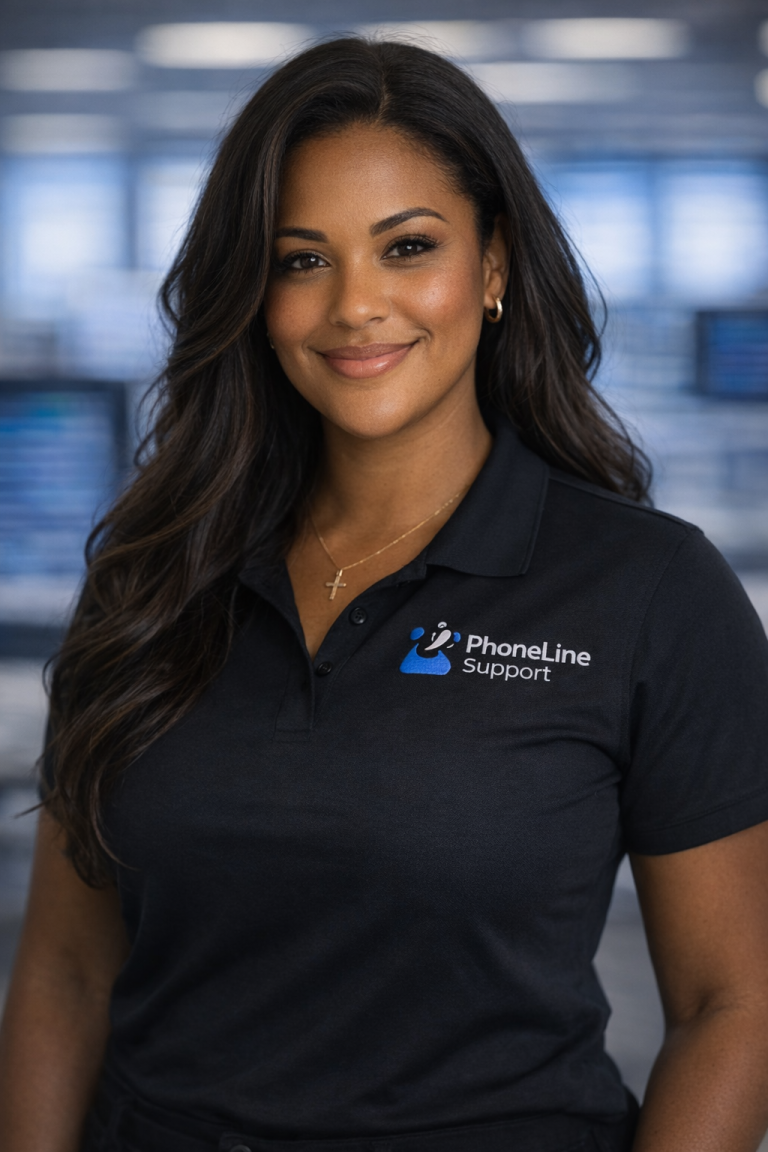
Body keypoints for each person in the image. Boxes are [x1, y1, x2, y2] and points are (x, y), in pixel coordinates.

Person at [1, 36, 768, 1152]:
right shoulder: (154, 574)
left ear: (494, 266)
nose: (357, 306)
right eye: (301, 259)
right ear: (253, 294)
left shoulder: (650, 591)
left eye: (407, 247)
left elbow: (732, 1007)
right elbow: (67, 974)